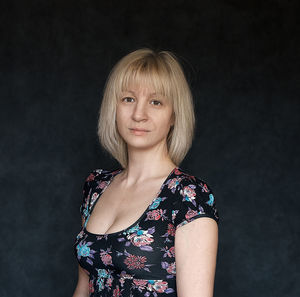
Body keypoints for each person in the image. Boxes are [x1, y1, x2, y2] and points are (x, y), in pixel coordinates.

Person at [73, 48, 219, 297]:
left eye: (155, 102)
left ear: (174, 115)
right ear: (114, 107)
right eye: (128, 99)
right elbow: (83, 288)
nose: (139, 115)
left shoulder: (188, 196)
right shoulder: (96, 185)